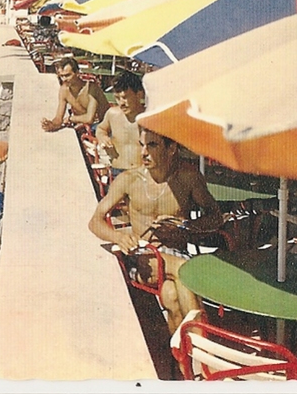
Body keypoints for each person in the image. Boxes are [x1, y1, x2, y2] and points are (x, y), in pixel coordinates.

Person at [88, 129, 221, 335]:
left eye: (152, 145)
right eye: (142, 145)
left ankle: (182, 364)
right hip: (143, 255)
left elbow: (215, 217)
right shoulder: (129, 179)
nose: (143, 152)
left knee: (171, 296)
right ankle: (206, 349)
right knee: (184, 269)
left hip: (176, 253)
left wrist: (183, 226)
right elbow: (95, 222)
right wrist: (119, 237)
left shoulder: (189, 178)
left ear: (171, 149)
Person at [95, 72, 146, 177]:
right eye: (117, 98)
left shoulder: (149, 117)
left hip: (142, 173)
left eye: (125, 97)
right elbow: (101, 128)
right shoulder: (113, 114)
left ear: (139, 94)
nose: (121, 103)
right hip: (117, 171)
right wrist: (102, 137)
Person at [40, 57, 110, 132]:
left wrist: (71, 118)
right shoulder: (64, 90)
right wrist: (51, 124)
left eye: (67, 75)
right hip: (86, 127)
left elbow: (90, 119)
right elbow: (59, 118)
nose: (64, 79)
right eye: (61, 76)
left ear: (77, 73)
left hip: (103, 125)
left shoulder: (91, 88)